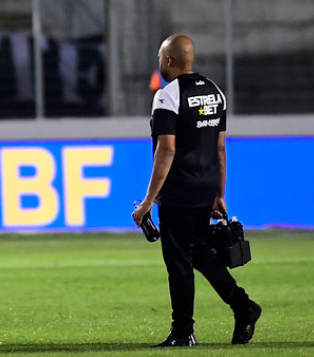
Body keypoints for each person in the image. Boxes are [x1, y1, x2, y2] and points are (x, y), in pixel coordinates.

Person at [131, 35, 261, 347]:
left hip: (179, 191)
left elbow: (166, 150)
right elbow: (220, 149)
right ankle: (243, 306)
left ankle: (182, 332)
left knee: (178, 261)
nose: (160, 62)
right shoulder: (215, 92)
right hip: (205, 188)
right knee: (201, 254)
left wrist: (148, 201)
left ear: (169, 61)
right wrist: (219, 193)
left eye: (161, 57)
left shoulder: (168, 96)